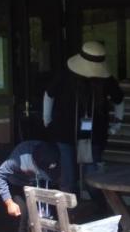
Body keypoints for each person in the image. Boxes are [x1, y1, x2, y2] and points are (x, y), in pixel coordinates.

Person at [44, 40, 125, 197]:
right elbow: (119, 100)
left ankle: (91, 209)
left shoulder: (102, 79)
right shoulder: (68, 75)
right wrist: (118, 123)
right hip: (76, 131)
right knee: (75, 176)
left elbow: (49, 94)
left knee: (88, 177)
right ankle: (77, 212)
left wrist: (47, 120)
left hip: (86, 132)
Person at [0, 140, 62, 232]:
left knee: (52, 213)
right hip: (19, 184)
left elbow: (59, 180)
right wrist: (9, 202)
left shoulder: (53, 155)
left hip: (41, 184)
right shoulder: (18, 159)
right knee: (22, 214)